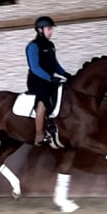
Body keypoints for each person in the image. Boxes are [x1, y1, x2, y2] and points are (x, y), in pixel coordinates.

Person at [25, 16, 72, 146]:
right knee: (44, 100)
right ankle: (39, 135)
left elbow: (55, 64)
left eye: (51, 29)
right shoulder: (33, 46)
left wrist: (66, 74)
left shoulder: (51, 45)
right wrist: (50, 78)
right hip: (37, 80)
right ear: (40, 30)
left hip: (50, 79)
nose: (51, 32)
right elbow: (35, 68)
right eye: (49, 29)